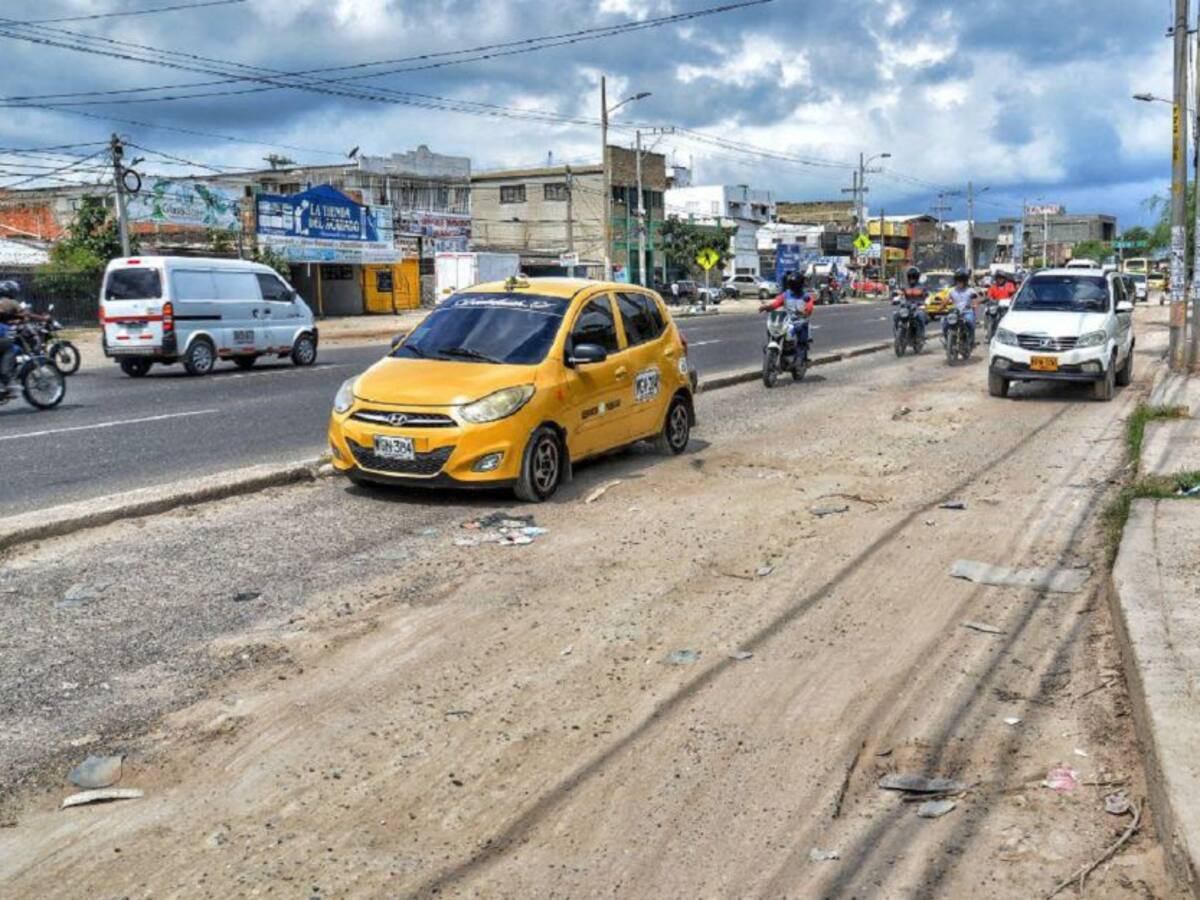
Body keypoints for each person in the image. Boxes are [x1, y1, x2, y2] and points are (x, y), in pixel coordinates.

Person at [759, 270, 815, 350]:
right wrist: (766, 307)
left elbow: (809, 308)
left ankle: (800, 354)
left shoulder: (806, 296)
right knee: (772, 328)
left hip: (799, 321)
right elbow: (776, 303)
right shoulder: (786, 294)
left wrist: (805, 312)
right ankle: (772, 345)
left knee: (801, 341)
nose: (794, 287)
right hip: (786, 321)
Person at [944, 268, 977, 345]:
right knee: (944, 323)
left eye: (961, 280)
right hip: (955, 313)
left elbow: (975, 299)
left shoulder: (970, 290)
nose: (959, 282)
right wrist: (940, 308)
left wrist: (974, 305)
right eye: (958, 280)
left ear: (965, 281)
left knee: (970, 321)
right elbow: (945, 300)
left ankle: (971, 340)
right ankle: (947, 340)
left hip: (967, 312)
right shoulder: (951, 290)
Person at [894, 265, 928, 340]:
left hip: (918, 307)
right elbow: (900, 294)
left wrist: (925, 302)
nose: (912, 279)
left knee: (921, 316)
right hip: (907, 307)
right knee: (896, 315)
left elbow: (927, 296)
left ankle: (922, 333)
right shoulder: (905, 287)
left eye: (914, 277)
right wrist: (896, 299)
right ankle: (897, 332)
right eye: (910, 277)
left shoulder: (922, 287)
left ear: (917, 277)